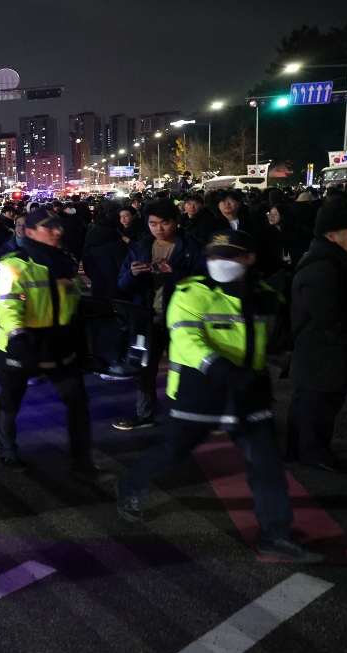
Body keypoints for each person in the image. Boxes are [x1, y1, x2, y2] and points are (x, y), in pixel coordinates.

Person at [114, 230, 321, 563]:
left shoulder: (260, 294)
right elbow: (187, 341)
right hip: (198, 393)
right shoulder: (191, 292)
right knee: (171, 453)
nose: (220, 263)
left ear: (250, 259)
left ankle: (276, 535)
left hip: (247, 395)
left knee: (267, 465)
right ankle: (129, 488)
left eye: (230, 256)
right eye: (214, 257)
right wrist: (223, 370)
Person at [0, 209, 100, 477]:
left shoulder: (65, 261)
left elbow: (74, 301)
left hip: (60, 344)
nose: (57, 231)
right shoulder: (14, 266)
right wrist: (18, 338)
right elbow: (8, 307)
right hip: (24, 344)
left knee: (77, 402)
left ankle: (82, 460)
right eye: (47, 227)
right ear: (29, 232)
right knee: (11, 401)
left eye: (58, 227)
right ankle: (5, 450)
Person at [286, 204, 347, 474]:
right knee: (319, 404)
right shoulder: (323, 267)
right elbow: (332, 317)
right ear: (332, 235)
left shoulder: (333, 259)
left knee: (310, 401)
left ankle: (300, 448)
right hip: (324, 353)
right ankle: (313, 452)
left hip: (321, 351)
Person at [114, 199, 207, 430]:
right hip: (149, 316)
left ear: (176, 221)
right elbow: (123, 284)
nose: (158, 229)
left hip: (182, 317)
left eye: (164, 223)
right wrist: (132, 275)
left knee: (187, 366)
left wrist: (174, 272)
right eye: (153, 223)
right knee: (146, 368)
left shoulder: (192, 247)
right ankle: (144, 414)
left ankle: (189, 414)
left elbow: (204, 284)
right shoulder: (142, 245)